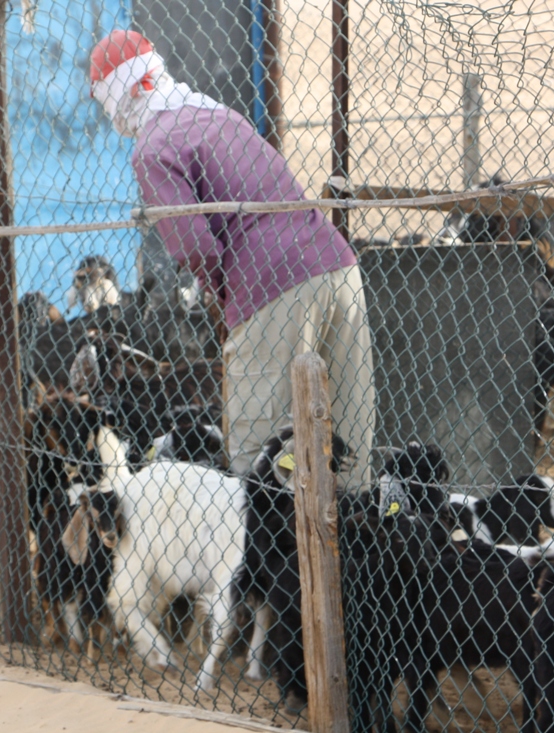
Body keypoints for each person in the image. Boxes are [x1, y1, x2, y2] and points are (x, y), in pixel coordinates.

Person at [89, 30, 375, 484]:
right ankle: (361, 538)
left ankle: (269, 550)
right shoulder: (219, 113)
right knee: (348, 429)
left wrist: (222, 292)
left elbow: (193, 244)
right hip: (335, 262)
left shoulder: (151, 148)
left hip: (268, 282)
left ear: (116, 96)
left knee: (256, 447)